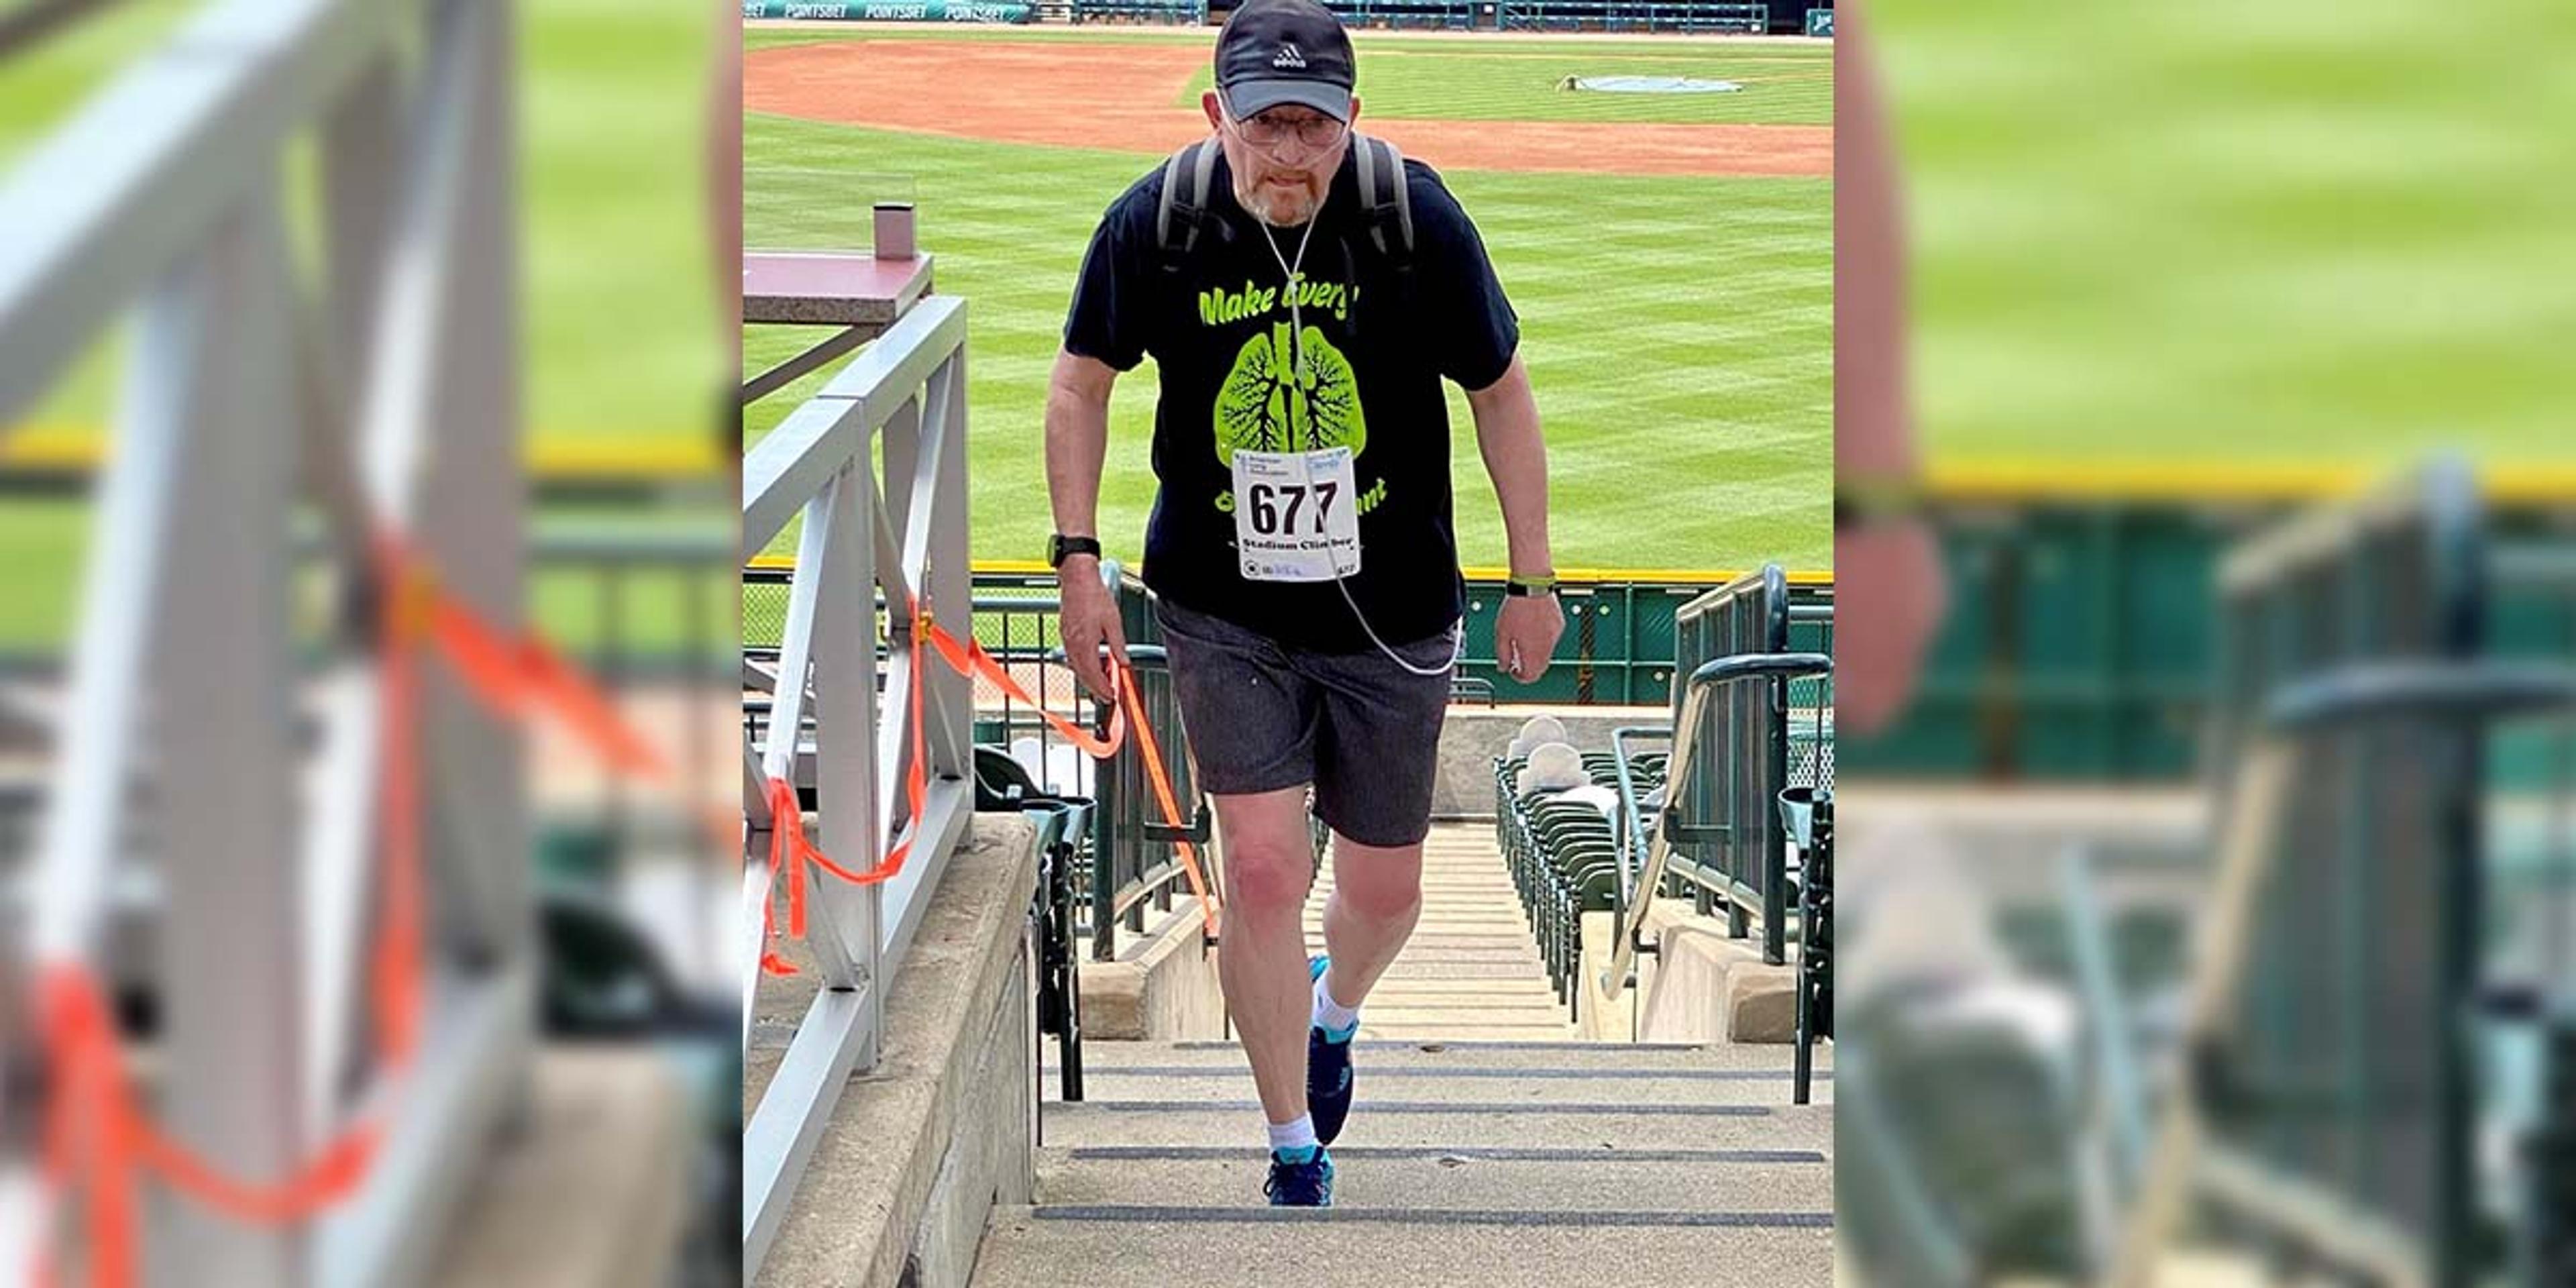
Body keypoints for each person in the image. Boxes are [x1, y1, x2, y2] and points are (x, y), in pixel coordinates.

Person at [1042, 0, 1563, 1208]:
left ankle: (1333, 1012)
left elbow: (1500, 392)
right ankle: (1290, 1143)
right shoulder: (1157, 225)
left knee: (1386, 890)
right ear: (1215, 112)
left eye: (1314, 128)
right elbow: (1079, 386)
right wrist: (1079, 560)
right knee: (1265, 872)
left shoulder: (1408, 218)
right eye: (1265, 124)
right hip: (1224, 607)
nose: (1290, 153)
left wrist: (1533, 577)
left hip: (1392, 606)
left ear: (1352, 122)